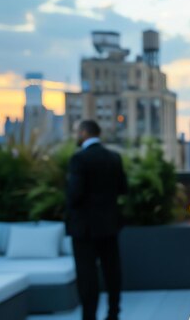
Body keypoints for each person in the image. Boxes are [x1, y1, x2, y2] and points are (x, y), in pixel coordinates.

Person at [66, 120, 127, 320]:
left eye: (77, 131)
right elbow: (123, 188)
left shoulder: (79, 159)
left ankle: (89, 316)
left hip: (84, 229)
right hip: (109, 225)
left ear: (84, 132)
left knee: (87, 276)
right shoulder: (114, 157)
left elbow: (75, 194)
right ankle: (113, 313)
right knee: (112, 272)